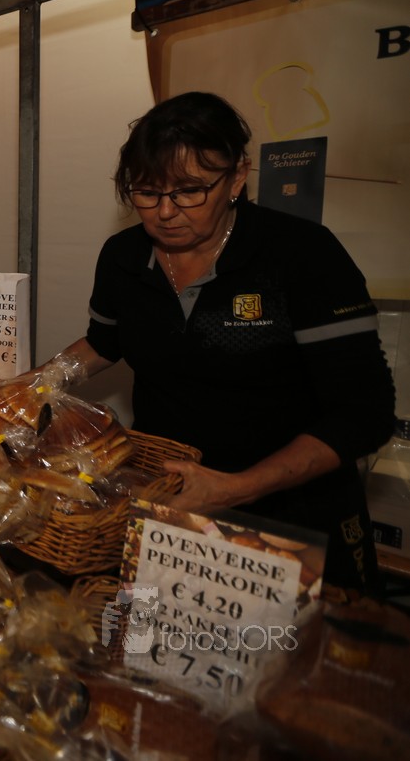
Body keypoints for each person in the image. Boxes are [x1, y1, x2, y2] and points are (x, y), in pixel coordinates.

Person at [51, 91, 395, 595]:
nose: (165, 212)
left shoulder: (301, 255)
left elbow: (365, 413)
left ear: (236, 178)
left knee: (280, 646)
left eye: (189, 191)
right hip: (172, 506)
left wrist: (237, 488)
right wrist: (33, 387)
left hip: (291, 515)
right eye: (146, 192)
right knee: (150, 641)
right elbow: (105, 342)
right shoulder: (124, 257)